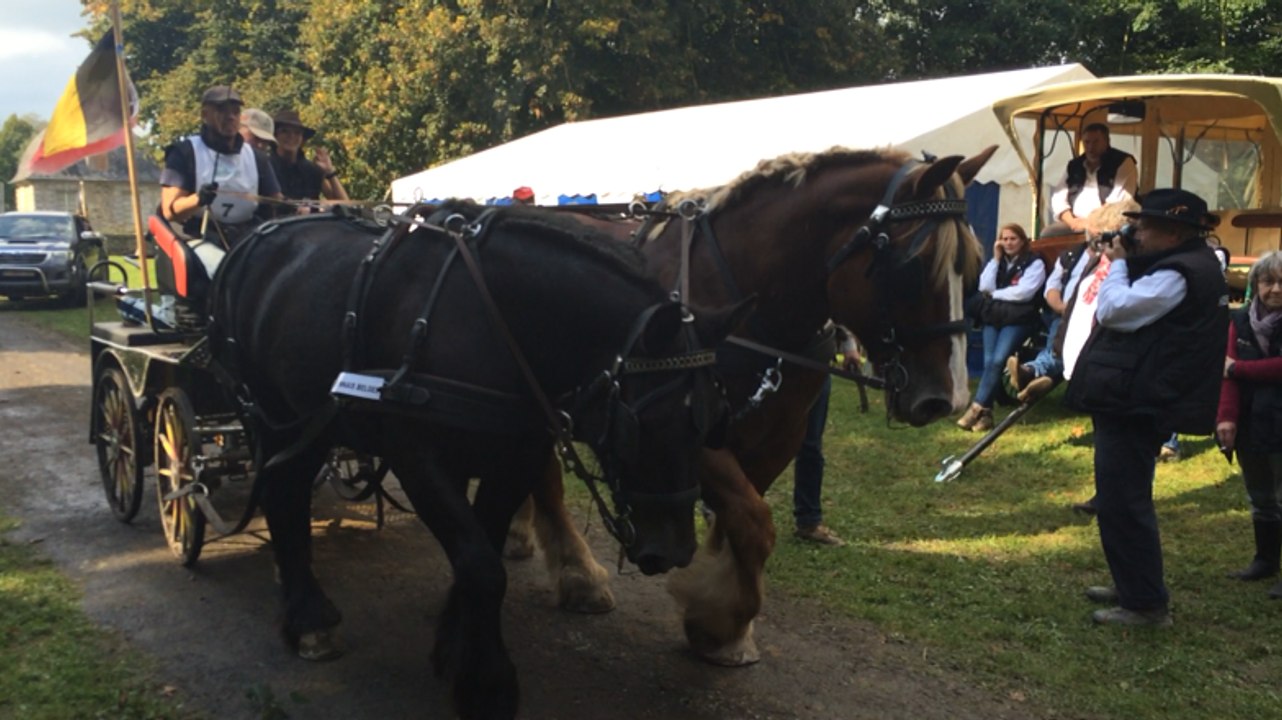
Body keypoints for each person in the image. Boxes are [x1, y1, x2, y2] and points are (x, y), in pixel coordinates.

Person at [1065, 188, 1229, 627]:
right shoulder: (1187, 264)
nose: (1133, 232)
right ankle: (1134, 586)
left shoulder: (1179, 273)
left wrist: (1117, 264)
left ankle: (1144, 604)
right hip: (1138, 395)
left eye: (1143, 226)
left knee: (1123, 500)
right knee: (1122, 497)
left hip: (1139, 399)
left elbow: (1118, 310)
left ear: (1173, 233)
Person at [1216, 251, 1282, 600]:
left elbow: (1236, 368)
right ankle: (1265, 560)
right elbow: (1227, 374)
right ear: (1255, 283)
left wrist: (1237, 370)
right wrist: (1226, 417)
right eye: (1267, 281)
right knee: (1260, 497)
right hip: (1251, 421)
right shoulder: (1239, 321)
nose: (1274, 289)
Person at [160, 85, 282, 246]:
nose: (230, 116)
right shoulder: (184, 152)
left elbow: (277, 202)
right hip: (198, 236)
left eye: (235, 112)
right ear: (205, 114)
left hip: (247, 237)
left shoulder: (258, 158)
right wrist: (199, 199)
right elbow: (170, 212)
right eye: (221, 110)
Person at [957, 224, 1046, 433]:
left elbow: (1024, 293)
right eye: (1004, 239)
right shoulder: (1000, 262)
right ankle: (986, 415)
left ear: (1023, 241)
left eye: (1013, 239)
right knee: (990, 362)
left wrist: (996, 294)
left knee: (998, 360)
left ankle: (977, 406)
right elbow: (984, 286)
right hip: (994, 317)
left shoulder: (1034, 263)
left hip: (1019, 319)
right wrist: (995, 259)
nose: (1008, 243)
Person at [793, 331, 861, 546]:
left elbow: (836, 304)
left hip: (816, 361)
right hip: (774, 357)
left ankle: (809, 522)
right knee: (758, 441)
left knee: (811, 445)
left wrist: (849, 345)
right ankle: (736, 512)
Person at [1046, 123, 1137, 235]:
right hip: (1075, 223)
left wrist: (1089, 223)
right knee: (1048, 233)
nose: (1090, 147)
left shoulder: (1123, 162)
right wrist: (1072, 222)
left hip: (1108, 223)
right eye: (1087, 142)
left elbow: (1118, 202)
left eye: (1096, 142)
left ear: (1107, 141)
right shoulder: (1074, 165)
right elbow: (1058, 198)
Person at [272, 109, 348, 203]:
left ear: (302, 139)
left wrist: (330, 172)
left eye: (297, 133)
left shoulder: (311, 170)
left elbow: (345, 204)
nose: (291, 136)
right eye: (285, 131)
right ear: (275, 136)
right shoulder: (266, 167)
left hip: (309, 218)